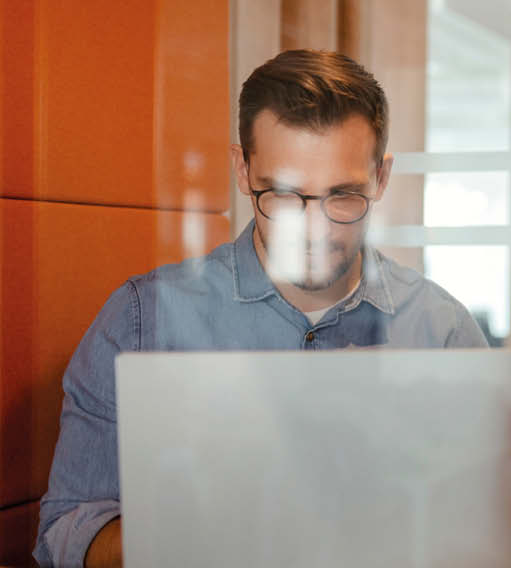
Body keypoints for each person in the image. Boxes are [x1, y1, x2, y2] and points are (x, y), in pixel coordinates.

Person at [33, 49, 487, 568]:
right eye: (285, 195)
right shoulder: (142, 322)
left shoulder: (443, 333)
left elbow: (487, 533)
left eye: (342, 197)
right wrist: (201, 530)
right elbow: (65, 536)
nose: (313, 229)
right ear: (242, 169)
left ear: (381, 179)